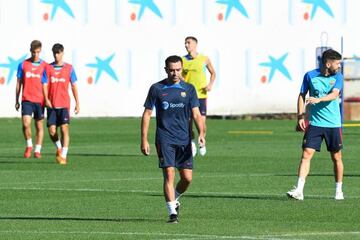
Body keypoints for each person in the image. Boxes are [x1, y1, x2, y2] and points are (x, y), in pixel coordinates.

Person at [141, 55, 205, 223]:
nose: (175, 73)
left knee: (187, 178)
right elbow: (147, 114)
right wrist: (144, 139)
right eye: (171, 70)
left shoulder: (189, 89)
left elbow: (197, 114)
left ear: (181, 69)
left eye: (177, 70)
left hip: (184, 139)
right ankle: (172, 213)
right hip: (164, 138)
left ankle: (174, 198)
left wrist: (202, 133)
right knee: (169, 174)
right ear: (165, 70)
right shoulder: (157, 88)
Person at [287, 49, 344, 201]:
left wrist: (319, 99)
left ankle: (339, 190)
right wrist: (300, 116)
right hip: (315, 123)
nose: (339, 66)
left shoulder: (338, 77)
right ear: (328, 63)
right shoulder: (310, 75)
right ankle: (299, 190)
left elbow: (335, 94)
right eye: (337, 63)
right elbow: (301, 95)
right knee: (306, 154)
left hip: (333, 124)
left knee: (336, 157)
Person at [43, 43, 80, 165]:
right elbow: (44, 84)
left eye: (59, 53)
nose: (57, 55)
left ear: (63, 53)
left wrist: (77, 103)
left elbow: (74, 86)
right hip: (52, 105)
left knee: (64, 129)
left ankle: (64, 155)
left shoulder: (69, 68)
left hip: (64, 104)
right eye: (55, 53)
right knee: (52, 131)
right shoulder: (48, 68)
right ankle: (59, 147)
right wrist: (46, 100)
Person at [181, 36, 215, 157]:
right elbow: (179, 76)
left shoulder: (204, 59)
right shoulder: (182, 60)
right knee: (188, 122)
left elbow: (213, 73)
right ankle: (191, 143)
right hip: (187, 96)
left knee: (201, 124)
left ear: (195, 44)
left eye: (188, 43)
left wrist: (210, 84)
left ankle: (202, 141)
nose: (186, 45)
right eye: (185, 43)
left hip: (201, 95)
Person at [15, 40, 48, 158]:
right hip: (26, 99)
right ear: (30, 51)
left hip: (40, 100)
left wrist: (48, 99)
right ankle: (29, 145)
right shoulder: (23, 64)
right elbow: (19, 82)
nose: (36, 55)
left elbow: (47, 84)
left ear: (40, 51)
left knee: (39, 127)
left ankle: (37, 150)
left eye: (38, 52)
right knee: (25, 124)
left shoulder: (45, 66)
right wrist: (16, 99)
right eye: (34, 52)